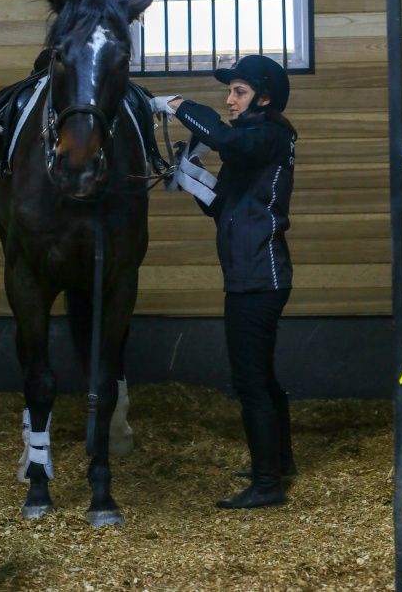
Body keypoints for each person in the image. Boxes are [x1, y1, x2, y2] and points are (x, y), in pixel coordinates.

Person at [150, 54, 297, 510]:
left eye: (239, 91)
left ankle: (267, 485)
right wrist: (187, 177)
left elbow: (226, 140)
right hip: (251, 276)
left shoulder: (270, 135)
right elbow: (222, 203)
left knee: (249, 382)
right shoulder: (252, 141)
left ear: (264, 98)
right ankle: (280, 462)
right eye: (229, 91)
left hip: (258, 280)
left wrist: (180, 106)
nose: (230, 99)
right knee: (262, 377)